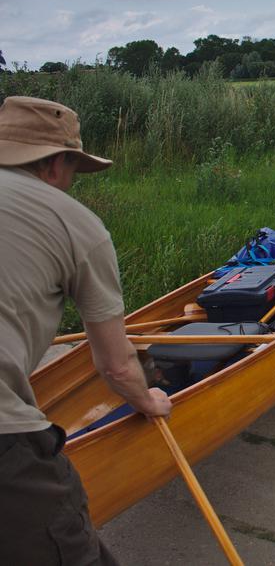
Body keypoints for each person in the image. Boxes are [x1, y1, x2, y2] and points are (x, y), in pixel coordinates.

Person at [0, 96, 172, 564]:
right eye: (74, 170)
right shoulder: (76, 223)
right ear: (57, 162)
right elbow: (116, 367)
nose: (71, 183)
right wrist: (148, 400)